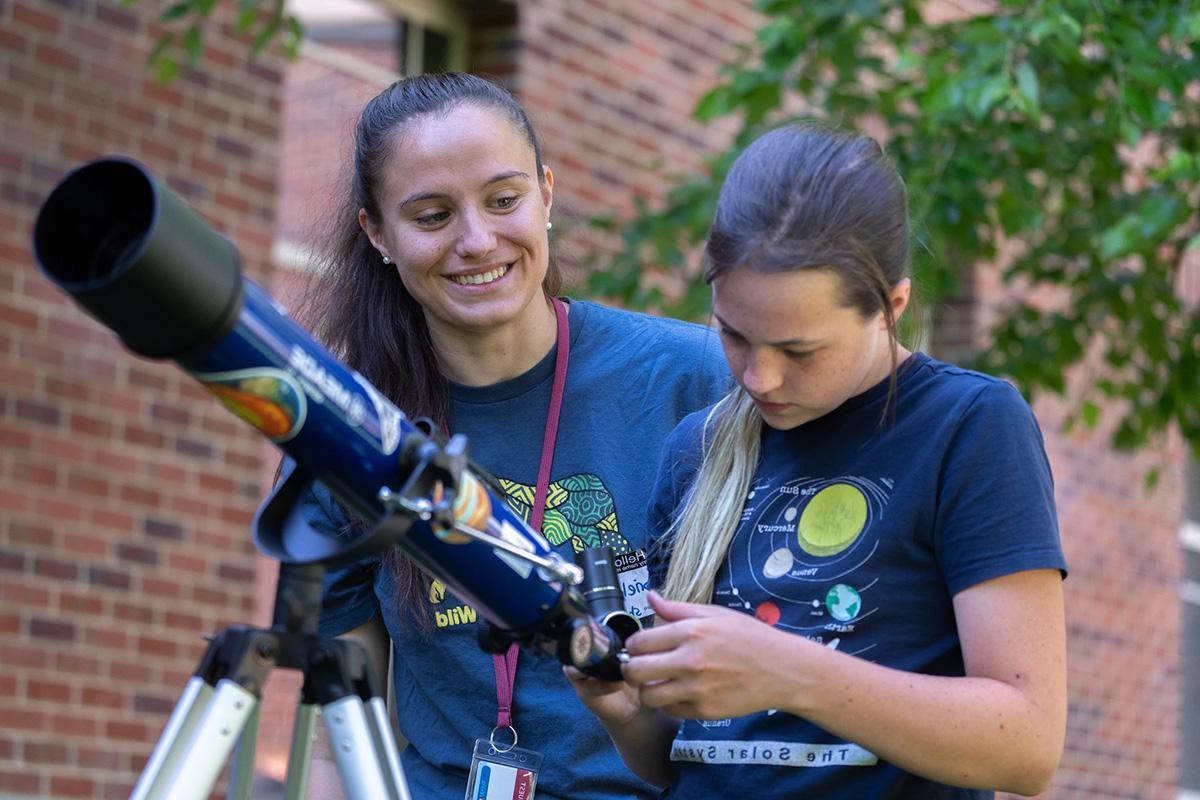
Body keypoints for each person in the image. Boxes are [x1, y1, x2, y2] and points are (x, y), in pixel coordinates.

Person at [567, 122, 1068, 798]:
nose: (759, 378)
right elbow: (683, 761)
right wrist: (630, 717)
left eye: (798, 351)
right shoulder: (697, 447)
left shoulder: (968, 427)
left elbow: (1028, 745)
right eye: (735, 335)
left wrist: (789, 672)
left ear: (891, 307)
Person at [292, 72, 730, 799]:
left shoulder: (697, 381)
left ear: (546, 194)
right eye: (432, 215)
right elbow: (337, 744)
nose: (476, 240)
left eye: (504, 201)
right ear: (378, 234)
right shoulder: (349, 436)